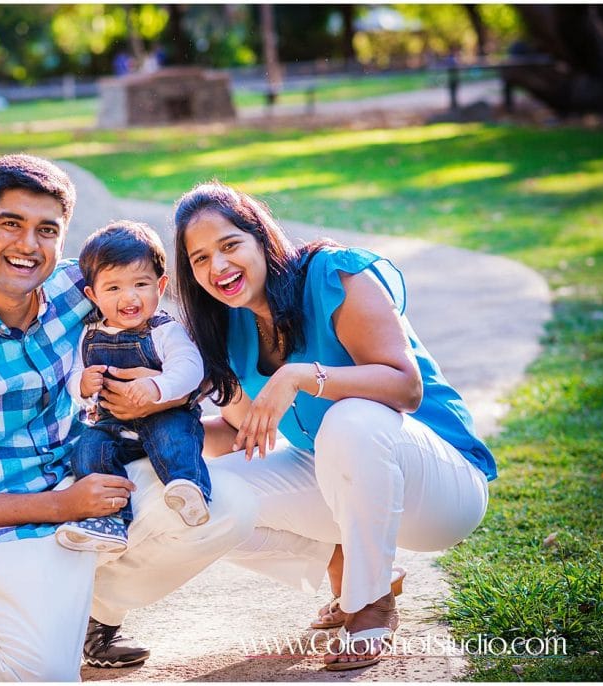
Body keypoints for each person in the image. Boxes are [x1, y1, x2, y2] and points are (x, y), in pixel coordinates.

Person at [0, 157, 257, 682]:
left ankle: (95, 615)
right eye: (11, 224)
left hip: (84, 481)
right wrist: (59, 505)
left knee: (226, 505)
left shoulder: (87, 288)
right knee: (44, 675)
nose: (28, 245)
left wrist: (214, 408)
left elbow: (170, 321)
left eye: (46, 230)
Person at [171, 182, 494, 670]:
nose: (218, 267)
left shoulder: (332, 275)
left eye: (229, 245)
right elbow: (243, 433)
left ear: (261, 237)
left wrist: (301, 375)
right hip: (345, 480)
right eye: (199, 259)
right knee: (200, 495)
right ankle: (352, 568)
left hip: (441, 487)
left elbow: (406, 388)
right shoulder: (232, 327)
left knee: (352, 419)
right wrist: (158, 436)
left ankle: (370, 606)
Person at [57, 221, 211, 554]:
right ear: (92, 295)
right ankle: (111, 519)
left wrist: (159, 387)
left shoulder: (164, 331)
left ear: (161, 285)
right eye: (113, 289)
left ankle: (187, 486)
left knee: (174, 437)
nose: (129, 297)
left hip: (164, 416)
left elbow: (190, 367)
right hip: (114, 425)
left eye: (141, 284)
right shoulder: (89, 335)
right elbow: (73, 372)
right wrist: (81, 386)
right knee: (88, 448)